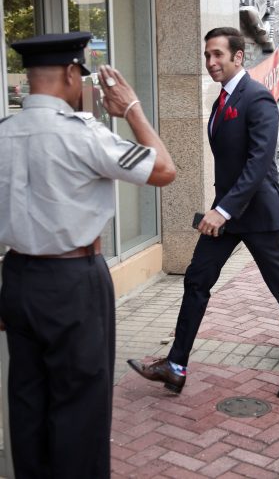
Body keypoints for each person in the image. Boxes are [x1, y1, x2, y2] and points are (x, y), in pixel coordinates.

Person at [0, 32, 175, 479]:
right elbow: (164, 170)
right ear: (70, 73)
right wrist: (132, 109)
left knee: (27, 398)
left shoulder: (5, 133)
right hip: (73, 280)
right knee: (80, 402)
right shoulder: (85, 135)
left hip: (17, 277)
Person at [128, 27, 279, 399]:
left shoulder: (258, 99)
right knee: (196, 280)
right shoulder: (223, 99)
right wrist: (223, 211)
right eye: (207, 55)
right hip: (229, 216)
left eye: (218, 54)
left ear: (238, 57)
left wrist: (222, 210)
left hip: (257, 215)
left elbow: (259, 162)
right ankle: (176, 365)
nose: (211, 62)